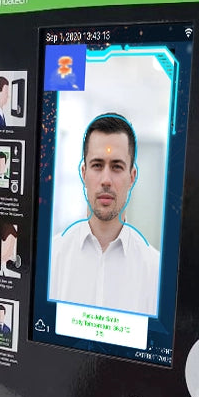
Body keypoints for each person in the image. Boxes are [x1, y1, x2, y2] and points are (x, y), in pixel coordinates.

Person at [49, 114, 160, 315]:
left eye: (117, 167)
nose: (106, 180)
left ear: (132, 177)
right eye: (97, 165)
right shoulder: (52, 258)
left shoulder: (155, 270)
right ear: (83, 173)